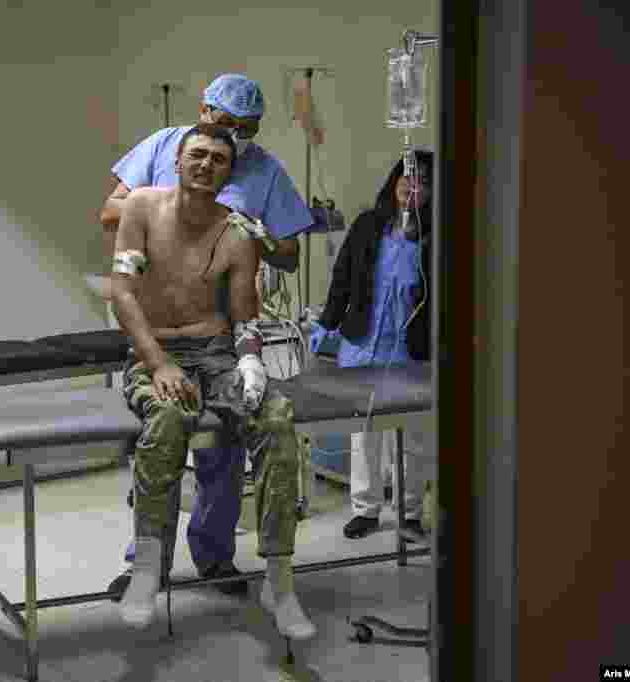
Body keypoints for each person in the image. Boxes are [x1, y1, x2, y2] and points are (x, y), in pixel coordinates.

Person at [99, 74, 314, 599]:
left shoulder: (259, 177)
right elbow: (112, 214)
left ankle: (216, 555)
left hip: (221, 338)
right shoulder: (164, 159)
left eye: (245, 131)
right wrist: (177, 211)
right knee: (164, 433)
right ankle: (146, 561)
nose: (228, 144)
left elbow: (287, 254)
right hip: (156, 328)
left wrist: (254, 233)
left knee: (225, 448)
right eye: (224, 126)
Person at [308, 150, 436, 539]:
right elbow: (342, 278)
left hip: (410, 350)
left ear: (434, 192)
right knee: (365, 432)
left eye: (423, 182)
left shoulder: (437, 237)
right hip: (363, 344)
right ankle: (365, 509)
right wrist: (326, 325)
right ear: (394, 180)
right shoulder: (368, 225)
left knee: (414, 436)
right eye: (405, 177)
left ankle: (409, 512)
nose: (411, 186)